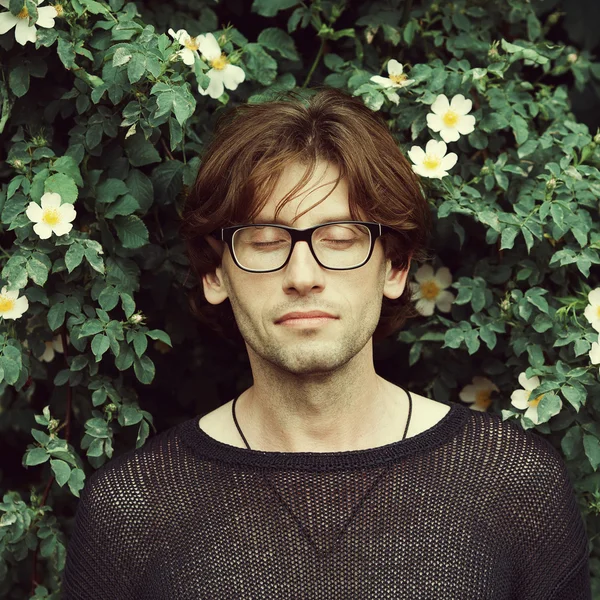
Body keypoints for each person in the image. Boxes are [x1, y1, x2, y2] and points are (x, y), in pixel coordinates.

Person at [61, 86, 591, 599]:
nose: (303, 274)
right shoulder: (132, 510)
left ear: (396, 266)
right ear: (214, 273)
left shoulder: (514, 486)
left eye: (340, 238)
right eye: (265, 241)